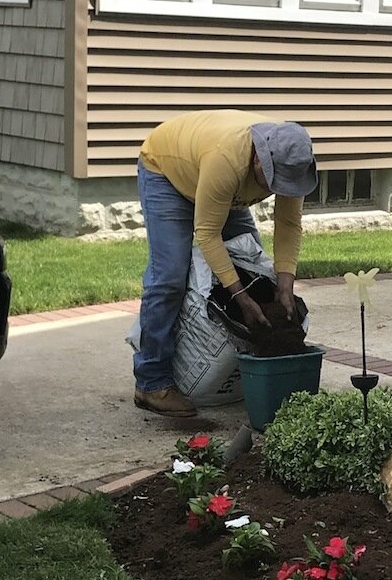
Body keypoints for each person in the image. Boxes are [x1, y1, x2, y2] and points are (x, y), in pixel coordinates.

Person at [133, 109, 318, 417]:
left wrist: (286, 283)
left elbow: (288, 224)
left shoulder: (292, 161)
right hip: (168, 174)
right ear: (260, 158)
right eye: (274, 180)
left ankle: (252, 369)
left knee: (254, 271)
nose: (276, 189)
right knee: (169, 277)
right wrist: (239, 297)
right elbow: (207, 234)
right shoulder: (228, 159)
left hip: (224, 188)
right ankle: (152, 383)